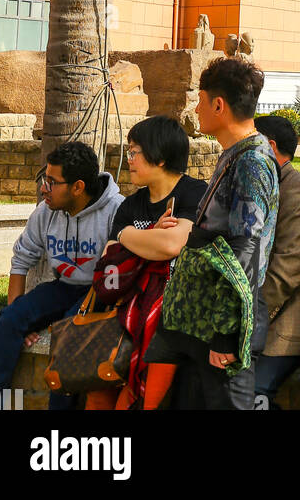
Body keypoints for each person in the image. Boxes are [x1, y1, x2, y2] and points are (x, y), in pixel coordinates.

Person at [145, 58, 278, 409]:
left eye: (200, 99)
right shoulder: (235, 153)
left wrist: (226, 335)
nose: (196, 108)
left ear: (218, 105)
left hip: (221, 325)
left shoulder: (252, 161)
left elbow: (244, 255)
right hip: (200, 320)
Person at [84, 116, 208, 411]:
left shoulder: (195, 194)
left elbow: (171, 244)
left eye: (134, 151)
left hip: (170, 318)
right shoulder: (131, 205)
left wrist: (131, 239)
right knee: (97, 396)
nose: (129, 160)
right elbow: (109, 262)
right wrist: (144, 234)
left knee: (141, 402)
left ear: (160, 156)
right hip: (123, 314)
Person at [0, 142, 122, 395]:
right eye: (44, 179)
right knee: (9, 319)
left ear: (78, 187)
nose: (44, 189)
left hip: (98, 291)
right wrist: (18, 319)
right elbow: (21, 260)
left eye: (52, 182)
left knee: (68, 335)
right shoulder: (45, 211)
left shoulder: (115, 210)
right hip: (63, 286)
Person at [253, 115, 300, 409]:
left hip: (287, 323)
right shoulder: (260, 187)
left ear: (269, 147)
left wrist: (241, 318)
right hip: (258, 315)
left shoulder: (299, 193)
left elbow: (285, 274)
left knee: (251, 394)